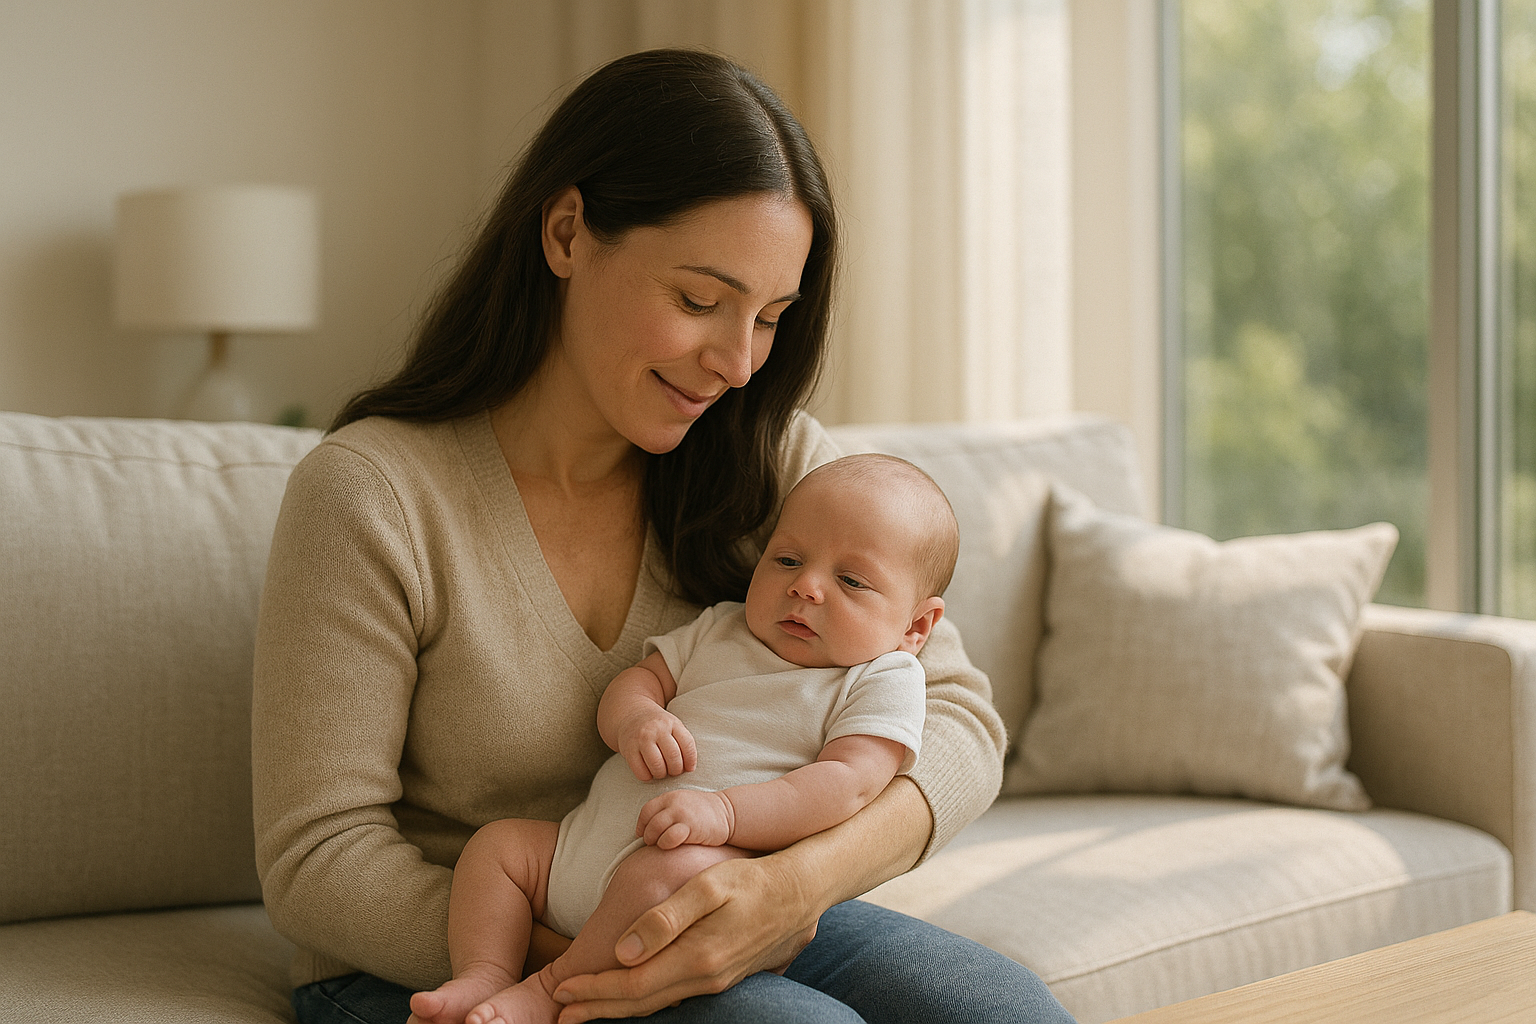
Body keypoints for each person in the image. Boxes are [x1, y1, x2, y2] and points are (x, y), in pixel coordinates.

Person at [252, 47, 1075, 1024]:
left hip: (733, 888)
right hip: (439, 959)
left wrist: (787, 891)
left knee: (1000, 1009)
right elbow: (317, 860)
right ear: (567, 232)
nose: (736, 362)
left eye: (771, 317)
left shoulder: (775, 464)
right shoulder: (373, 494)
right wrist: (627, 950)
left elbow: (963, 724)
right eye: (698, 301)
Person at [411, 454, 952, 1024]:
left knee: (669, 873)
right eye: (787, 559)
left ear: (916, 627)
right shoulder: (722, 625)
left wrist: (725, 813)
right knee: (499, 847)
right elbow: (641, 682)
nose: (806, 587)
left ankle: (551, 990)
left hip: (690, 878)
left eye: (850, 580)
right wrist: (635, 718)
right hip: (573, 852)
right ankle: (484, 974)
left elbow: (847, 786)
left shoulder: (882, 678)